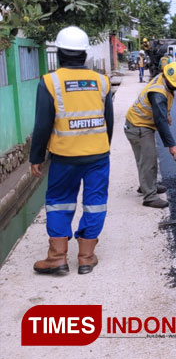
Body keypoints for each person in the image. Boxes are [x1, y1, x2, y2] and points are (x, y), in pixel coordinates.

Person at [30, 26, 113, 275]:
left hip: (64, 157)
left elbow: (42, 124)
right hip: (98, 156)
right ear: (85, 54)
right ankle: (86, 257)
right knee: (95, 203)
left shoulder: (49, 81)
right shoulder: (101, 81)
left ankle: (57, 257)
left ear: (59, 52)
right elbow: (107, 120)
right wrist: (101, 147)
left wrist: (36, 157)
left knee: (59, 203)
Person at [124, 62, 176, 208]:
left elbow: (164, 107)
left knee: (146, 158)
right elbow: (160, 121)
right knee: (148, 159)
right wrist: (171, 145)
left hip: (141, 124)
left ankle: (147, 184)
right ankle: (149, 196)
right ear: (167, 78)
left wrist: (168, 113)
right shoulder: (158, 93)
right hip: (138, 125)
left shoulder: (164, 79)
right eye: (175, 85)